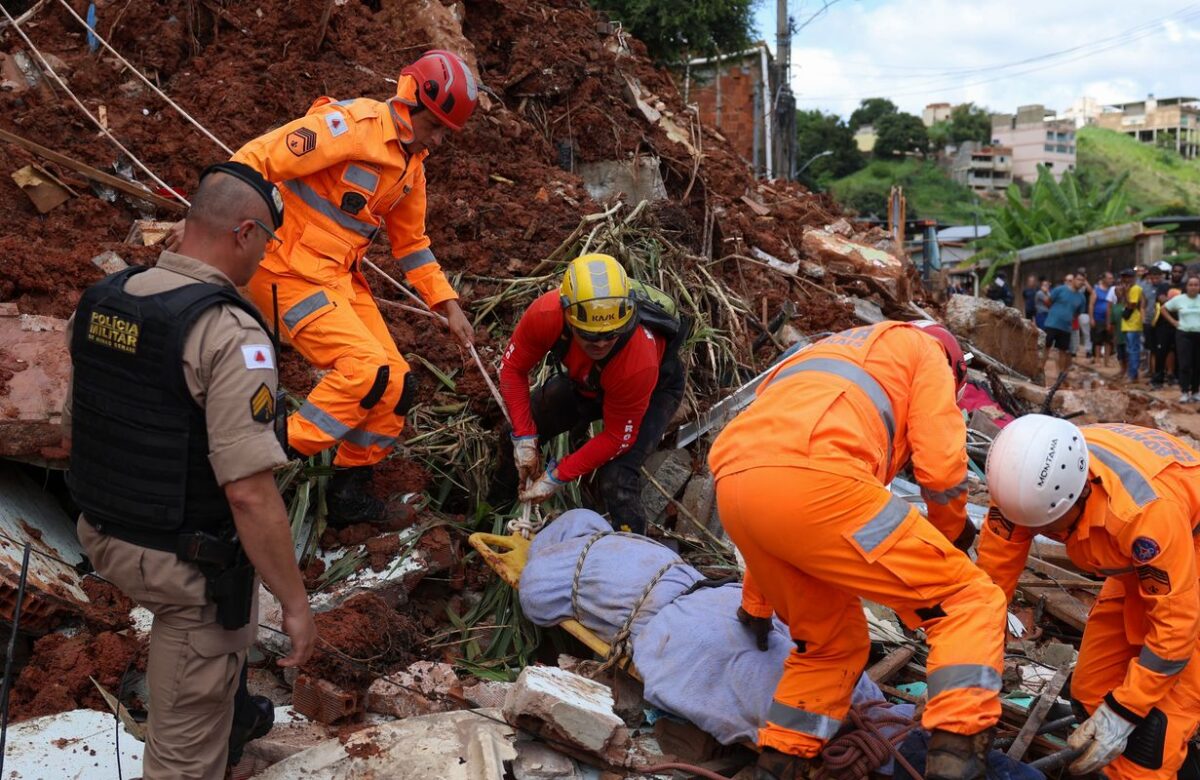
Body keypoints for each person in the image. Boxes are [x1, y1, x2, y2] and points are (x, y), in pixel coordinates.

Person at [63, 164, 316, 779]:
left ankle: (233, 715)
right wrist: (294, 602)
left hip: (101, 526)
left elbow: (78, 421)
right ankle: (204, 729)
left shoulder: (105, 299)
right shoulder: (228, 333)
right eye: (264, 246)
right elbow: (249, 494)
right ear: (245, 233)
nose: (262, 260)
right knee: (183, 755)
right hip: (178, 563)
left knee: (219, 634)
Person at [171, 50, 480, 525]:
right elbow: (257, 159)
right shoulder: (349, 126)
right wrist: (208, 225)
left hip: (337, 277)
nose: (438, 141)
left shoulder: (410, 167)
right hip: (284, 269)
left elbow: (412, 244)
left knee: (397, 384)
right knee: (365, 372)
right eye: (436, 128)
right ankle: (254, 458)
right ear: (412, 104)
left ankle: (348, 493)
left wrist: (448, 303)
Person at [708, 321, 1007, 780]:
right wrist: (951, 535)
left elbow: (777, 500)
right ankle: (956, 757)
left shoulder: (824, 352)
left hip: (734, 484)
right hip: (823, 482)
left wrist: (757, 604)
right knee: (967, 601)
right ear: (956, 371)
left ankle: (779, 764)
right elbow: (942, 469)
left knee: (830, 645)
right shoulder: (926, 352)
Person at [981, 415, 1200, 779]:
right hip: (1135, 561)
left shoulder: (1143, 515)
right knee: (1091, 691)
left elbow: (1176, 631)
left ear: (1078, 495)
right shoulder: (1022, 484)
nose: (1032, 534)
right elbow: (990, 585)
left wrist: (1124, 712)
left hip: (1188, 548)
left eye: (1045, 529)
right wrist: (972, 676)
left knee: (1154, 734)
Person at [497, 254, 687, 534]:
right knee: (511, 433)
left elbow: (617, 437)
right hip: (587, 382)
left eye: (611, 335)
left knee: (617, 479)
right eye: (589, 336)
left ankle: (630, 553)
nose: (600, 344)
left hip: (649, 389)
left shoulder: (637, 361)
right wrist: (524, 437)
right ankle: (496, 511)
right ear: (568, 318)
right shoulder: (546, 315)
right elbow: (513, 368)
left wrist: (556, 476)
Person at [1162, 276, 1200, 402]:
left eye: (1196, 284)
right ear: (1186, 287)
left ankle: (1195, 391)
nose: (1193, 287)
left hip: (1198, 334)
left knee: (1197, 364)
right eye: (1191, 284)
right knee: (1185, 364)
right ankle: (1184, 391)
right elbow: (1163, 309)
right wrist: (1173, 322)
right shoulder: (1179, 299)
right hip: (1184, 334)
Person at [1043, 273, 1085, 379]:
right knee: (1046, 346)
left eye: (1082, 281)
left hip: (1066, 327)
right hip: (1052, 323)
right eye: (1079, 279)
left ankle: (1060, 375)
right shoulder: (1060, 289)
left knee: (1063, 350)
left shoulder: (1081, 298)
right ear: (1074, 279)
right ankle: (1039, 369)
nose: (1080, 282)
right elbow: (1047, 301)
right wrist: (1054, 312)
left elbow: (1078, 313)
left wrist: (1068, 316)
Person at [1120, 268, 1147, 383]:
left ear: (1133, 278)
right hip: (1127, 323)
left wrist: (1125, 293)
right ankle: (1132, 374)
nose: (1126, 279)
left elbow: (1131, 305)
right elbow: (1122, 303)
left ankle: (1133, 375)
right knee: (1130, 349)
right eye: (1124, 277)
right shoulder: (1127, 289)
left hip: (1134, 323)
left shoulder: (1135, 289)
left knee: (1133, 350)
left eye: (1128, 277)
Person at [1092, 270, 1114, 366]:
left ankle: (1107, 361)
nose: (1111, 280)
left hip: (1110, 318)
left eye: (1112, 278)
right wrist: (1091, 318)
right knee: (1098, 340)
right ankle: (1097, 359)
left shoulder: (1112, 290)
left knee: (1108, 340)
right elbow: (1091, 305)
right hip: (1098, 318)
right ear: (1104, 279)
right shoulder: (1096, 290)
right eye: (1109, 278)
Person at [1074, 268, 1093, 359]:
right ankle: (1073, 350)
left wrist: (1084, 281)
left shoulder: (1085, 285)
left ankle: (1088, 351)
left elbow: (1091, 291)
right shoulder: (1073, 286)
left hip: (1084, 312)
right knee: (1075, 332)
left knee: (1086, 332)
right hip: (1074, 312)